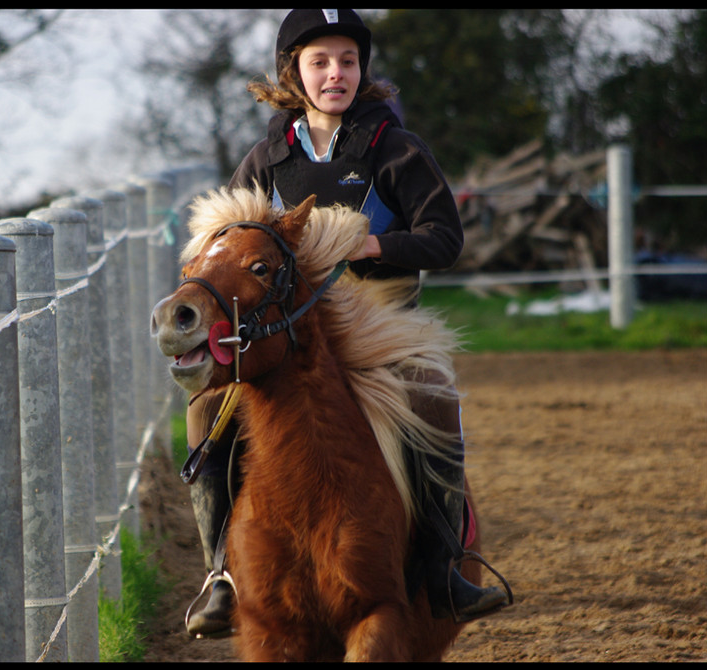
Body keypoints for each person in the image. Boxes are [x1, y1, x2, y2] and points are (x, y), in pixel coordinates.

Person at [184, 9, 510, 637]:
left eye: (349, 61)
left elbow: (445, 240)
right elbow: (227, 242)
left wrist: (374, 248)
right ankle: (220, 574)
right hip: (290, 335)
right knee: (204, 410)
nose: (337, 73)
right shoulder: (265, 160)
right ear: (293, 72)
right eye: (320, 61)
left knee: (433, 394)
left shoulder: (397, 149)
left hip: (383, 330)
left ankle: (446, 568)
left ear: (363, 69)